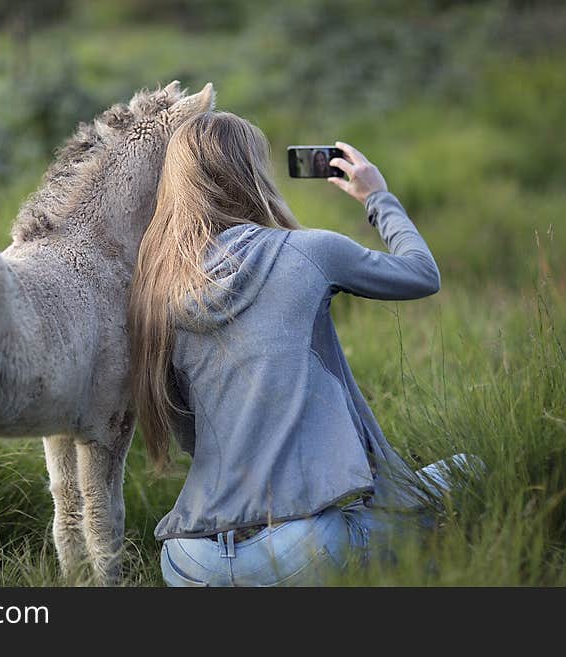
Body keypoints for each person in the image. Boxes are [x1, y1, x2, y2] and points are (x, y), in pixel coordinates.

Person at [127, 111, 480, 587]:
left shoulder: (158, 290)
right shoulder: (308, 251)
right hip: (298, 552)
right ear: (252, 175)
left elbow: (188, 436)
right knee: (467, 472)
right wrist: (377, 196)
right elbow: (421, 273)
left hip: (189, 561)